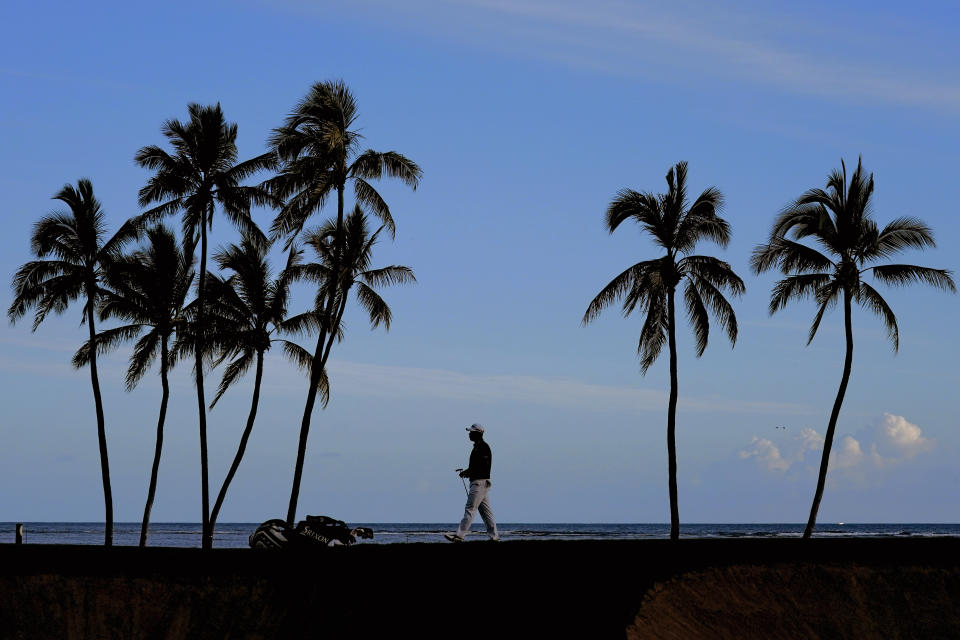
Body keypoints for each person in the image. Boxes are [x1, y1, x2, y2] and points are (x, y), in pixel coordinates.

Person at [445, 424, 499, 542]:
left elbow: (481, 467)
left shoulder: (482, 447)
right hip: (480, 482)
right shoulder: (479, 447)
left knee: (470, 508)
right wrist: (467, 472)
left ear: (477, 433)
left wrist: (468, 472)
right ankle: (494, 537)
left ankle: (459, 536)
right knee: (486, 512)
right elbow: (477, 467)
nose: (469, 434)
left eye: (471, 432)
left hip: (479, 483)